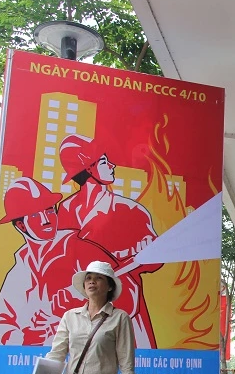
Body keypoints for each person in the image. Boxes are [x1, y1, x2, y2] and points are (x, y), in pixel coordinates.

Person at [0, 177, 135, 346]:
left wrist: (84, 303)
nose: (46, 219)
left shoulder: (81, 250)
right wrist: (25, 338)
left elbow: (130, 296)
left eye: (49, 210)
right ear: (21, 226)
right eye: (35, 215)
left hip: (88, 354)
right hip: (44, 358)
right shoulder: (22, 268)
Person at [58, 134, 161, 349]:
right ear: (88, 168)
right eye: (104, 161)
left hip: (126, 308)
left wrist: (146, 251)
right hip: (81, 311)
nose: (112, 165)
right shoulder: (66, 210)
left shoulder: (130, 210)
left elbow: (156, 259)